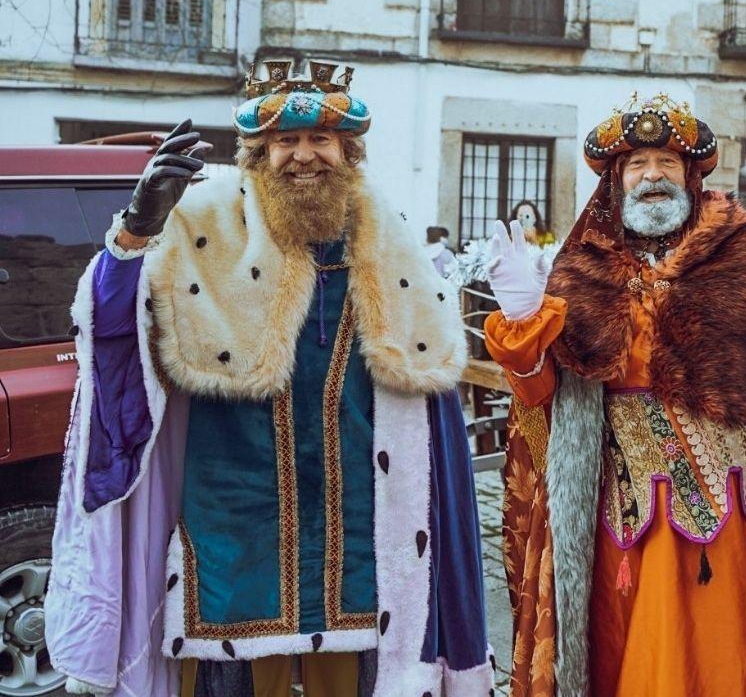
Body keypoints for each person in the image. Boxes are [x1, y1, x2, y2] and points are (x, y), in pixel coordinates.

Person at [45, 60, 492, 697]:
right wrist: (136, 229)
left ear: (348, 151)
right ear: (258, 153)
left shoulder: (389, 241)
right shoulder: (199, 229)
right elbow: (113, 327)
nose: (303, 156)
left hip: (362, 531)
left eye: (320, 140)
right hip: (236, 525)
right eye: (284, 142)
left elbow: (430, 393)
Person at [483, 94, 746, 697]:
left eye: (667, 163)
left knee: (729, 660)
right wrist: (522, 323)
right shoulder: (581, 267)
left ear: (692, 177)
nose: (652, 177)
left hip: (733, 513)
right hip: (619, 515)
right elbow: (541, 404)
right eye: (637, 164)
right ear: (616, 181)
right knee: (623, 662)